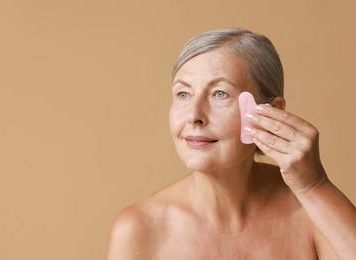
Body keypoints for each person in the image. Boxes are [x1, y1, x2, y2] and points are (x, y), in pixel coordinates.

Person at [106, 28, 356, 259]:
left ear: (271, 111)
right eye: (183, 94)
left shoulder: (311, 212)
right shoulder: (139, 228)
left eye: (220, 94)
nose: (194, 116)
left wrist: (314, 186)